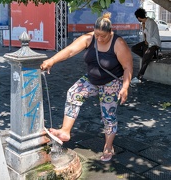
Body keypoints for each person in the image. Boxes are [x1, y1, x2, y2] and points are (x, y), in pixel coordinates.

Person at [40, 12, 133, 162]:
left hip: (111, 82)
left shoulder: (118, 43)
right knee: (73, 93)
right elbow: (70, 51)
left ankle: (108, 146)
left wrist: (125, 87)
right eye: (97, 35)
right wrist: (51, 60)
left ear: (110, 32)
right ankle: (65, 131)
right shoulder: (89, 38)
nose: (99, 38)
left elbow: (128, 67)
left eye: (103, 36)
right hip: (91, 79)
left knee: (108, 115)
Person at [130, 8, 161, 83]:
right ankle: (149, 57)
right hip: (146, 42)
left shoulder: (150, 22)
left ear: (138, 17)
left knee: (145, 58)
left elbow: (149, 36)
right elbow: (145, 37)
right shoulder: (144, 23)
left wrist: (144, 28)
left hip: (153, 43)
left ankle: (139, 77)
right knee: (134, 48)